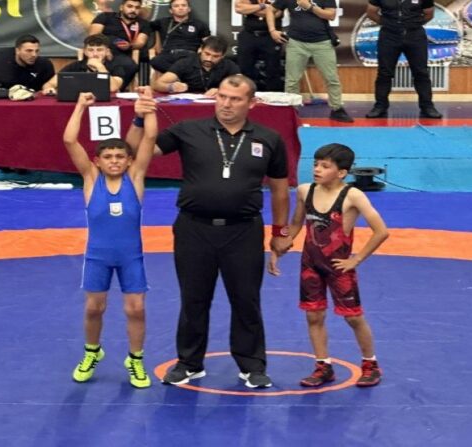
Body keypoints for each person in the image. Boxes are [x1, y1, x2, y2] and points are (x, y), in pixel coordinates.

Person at [128, 74, 292, 388]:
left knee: (246, 300)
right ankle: (189, 363)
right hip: (194, 229)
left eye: (235, 99)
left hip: (243, 231)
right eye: (222, 97)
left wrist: (280, 232)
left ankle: (252, 365)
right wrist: (139, 118)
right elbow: (135, 152)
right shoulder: (189, 130)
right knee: (193, 299)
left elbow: (280, 190)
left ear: (252, 103)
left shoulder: (269, 139)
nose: (226, 104)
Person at [269, 143, 389, 387]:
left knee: (353, 318)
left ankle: (371, 365)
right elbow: (296, 223)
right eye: (315, 164)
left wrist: (356, 259)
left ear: (341, 172)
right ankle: (323, 366)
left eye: (325, 166)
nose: (317, 169)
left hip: (338, 267)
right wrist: (279, 248)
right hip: (310, 264)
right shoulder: (305, 191)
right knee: (313, 316)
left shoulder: (353, 196)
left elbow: (381, 231)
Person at [63, 87, 158, 388]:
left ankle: (135, 360)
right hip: (98, 257)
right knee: (94, 308)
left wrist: (148, 104)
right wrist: (80, 105)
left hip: (131, 257)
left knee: (136, 309)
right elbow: (69, 140)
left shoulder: (135, 178)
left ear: (129, 160)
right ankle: (92, 352)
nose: (114, 161)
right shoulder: (91, 180)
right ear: (98, 161)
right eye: (108, 157)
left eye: (120, 156)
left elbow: (150, 137)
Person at [265, 0, 354, 123]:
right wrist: (272, 30)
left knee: (331, 78)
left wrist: (310, 7)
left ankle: (337, 109)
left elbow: (331, 15)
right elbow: (270, 9)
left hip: (322, 43)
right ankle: (292, 111)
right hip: (296, 43)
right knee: (292, 80)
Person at [364, 0, 442, 119]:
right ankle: (380, 106)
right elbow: (371, 12)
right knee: (384, 72)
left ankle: (427, 106)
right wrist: (388, 24)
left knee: (421, 72)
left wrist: (413, 24)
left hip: (415, 36)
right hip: (389, 36)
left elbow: (429, 14)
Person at [89, 0, 151, 90]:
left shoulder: (143, 23)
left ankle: (116, 89)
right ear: (121, 7)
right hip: (101, 51)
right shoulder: (105, 16)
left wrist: (129, 46)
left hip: (124, 53)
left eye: (137, 8)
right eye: (130, 6)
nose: (133, 10)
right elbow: (93, 36)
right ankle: (98, 89)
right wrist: (105, 50)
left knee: (130, 65)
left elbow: (140, 42)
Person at [151, 36, 240, 97]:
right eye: (207, 54)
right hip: (188, 103)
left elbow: (242, 85)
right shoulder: (186, 62)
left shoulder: (229, 65)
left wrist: (221, 91)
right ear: (200, 50)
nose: (209, 59)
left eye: (215, 56)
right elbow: (157, 84)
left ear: (223, 56)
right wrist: (171, 87)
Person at [42, 34, 125, 94]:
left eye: (99, 50)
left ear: (107, 51)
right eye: (91, 50)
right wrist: (49, 89)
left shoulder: (116, 66)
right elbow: (49, 84)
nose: (95, 54)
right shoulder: (75, 66)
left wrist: (100, 66)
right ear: (85, 52)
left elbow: (113, 88)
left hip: (106, 104)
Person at [234, 0, 284, 92]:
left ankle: (273, 96)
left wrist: (250, 8)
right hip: (249, 35)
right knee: (245, 68)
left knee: (273, 70)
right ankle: (245, 94)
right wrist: (262, 6)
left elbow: (276, 13)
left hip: (270, 36)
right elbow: (239, 8)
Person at [149, 0, 210, 74]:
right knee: (155, 61)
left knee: (192, 63)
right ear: (171, 10)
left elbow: (209, 42)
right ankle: (183, 76)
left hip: (189, 55)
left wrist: (201, 50)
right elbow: (144, 26)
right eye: (176, 6)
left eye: (183, 5)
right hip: (169, 55)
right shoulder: (162, 22)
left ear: (189, 9)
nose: (180, 8)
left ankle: (175, 76)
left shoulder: (199, 25)